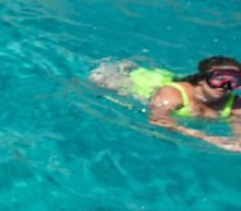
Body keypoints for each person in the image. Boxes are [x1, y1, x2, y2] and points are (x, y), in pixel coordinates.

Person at [90, 57, 241, 152]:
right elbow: (158, 120)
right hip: (140, 84)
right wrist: (208, 138)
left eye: (233, 81)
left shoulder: (234, 104)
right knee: (100, 80)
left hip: (170, 81)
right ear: (202, 79)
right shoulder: (173, 96)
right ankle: (129, 67)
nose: (224, 86)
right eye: (218, 79)